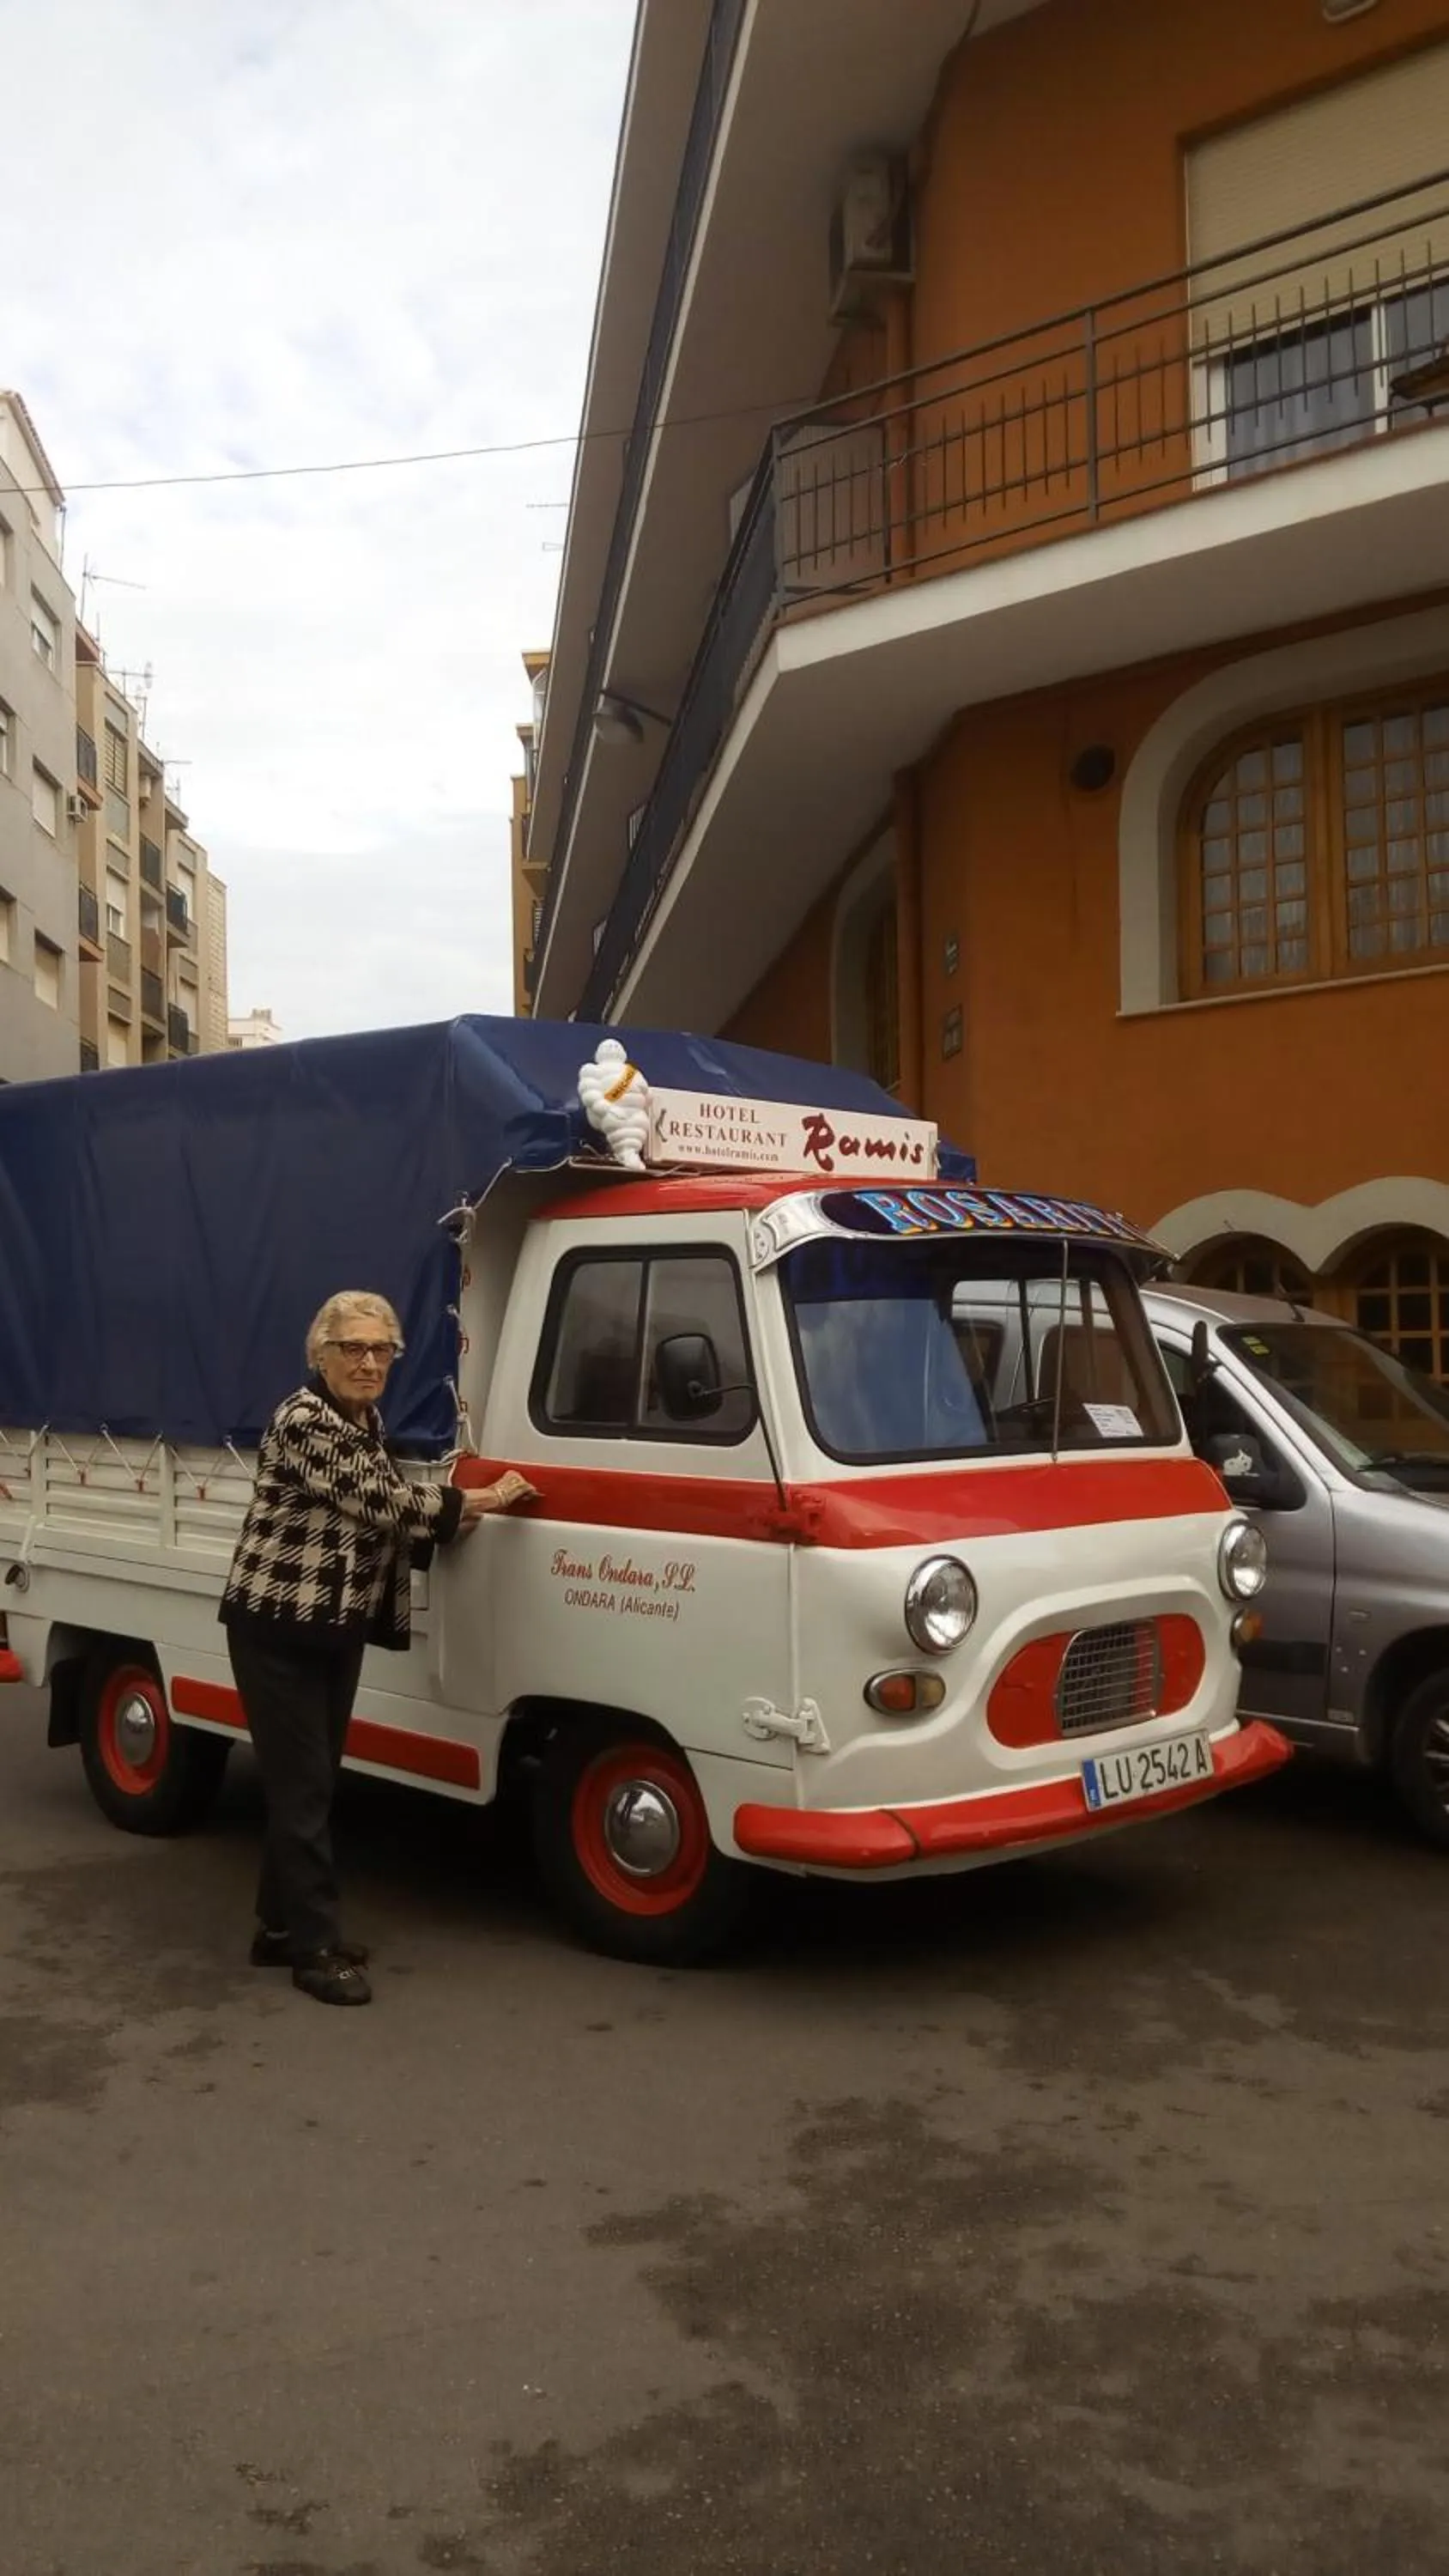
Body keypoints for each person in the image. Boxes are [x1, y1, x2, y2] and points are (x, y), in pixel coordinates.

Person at [221, 1290, 535, 2007]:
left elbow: (383, 1497)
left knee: (311, 1783)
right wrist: (481, 1501)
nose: (368, 1363)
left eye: (381, 1350)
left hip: (332, 1622)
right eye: (352, 1349)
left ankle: (278, 1930)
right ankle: (314, 1951)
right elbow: (384, 1501)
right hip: (278, 1625)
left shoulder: (363, 1417)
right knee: (303, 1791)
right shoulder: (304, 1421)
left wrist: (447, 1521)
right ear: (319, 1356)